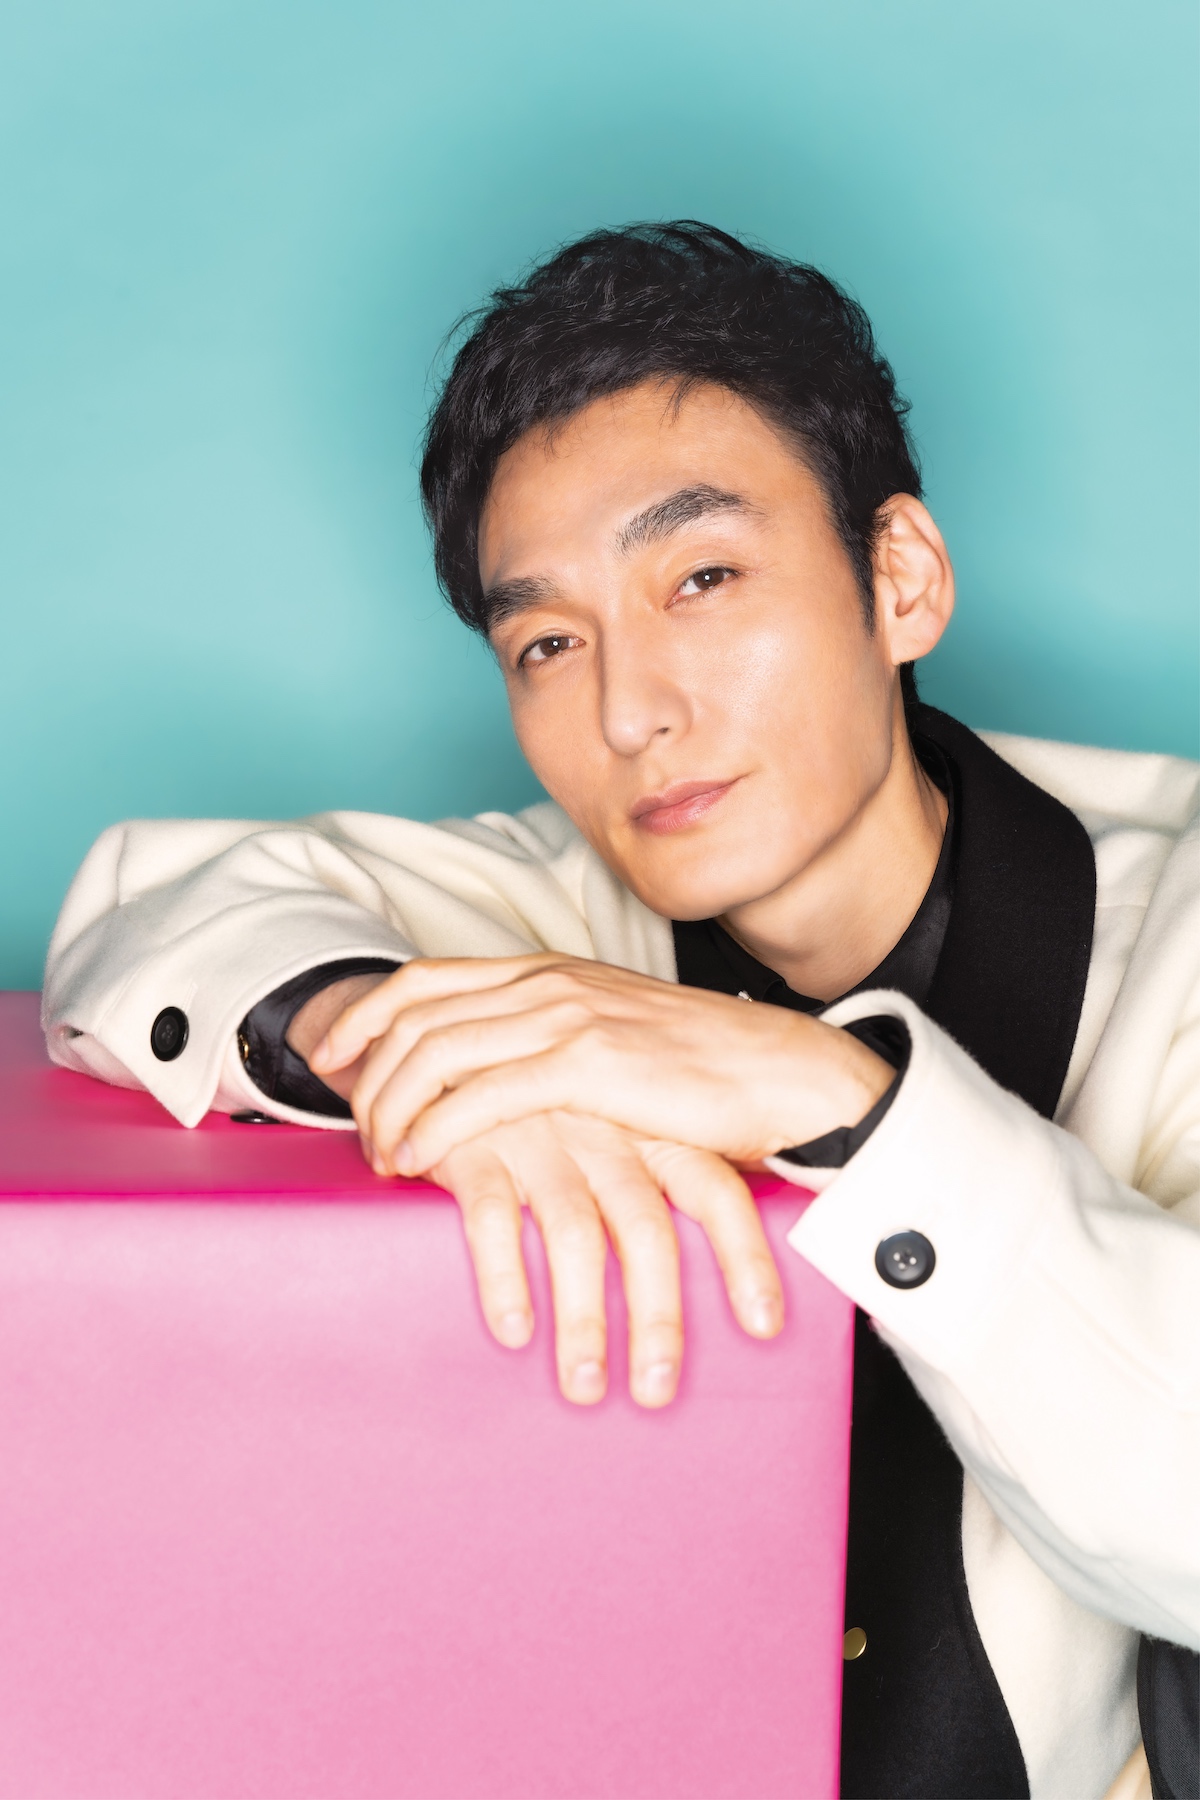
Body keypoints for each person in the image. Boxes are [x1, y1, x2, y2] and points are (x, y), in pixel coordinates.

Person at [42, 223, 1197, 1800]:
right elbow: (150, 913)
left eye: (702, 579)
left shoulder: (1182, 916)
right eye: (546, 642)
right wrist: (390, 1035)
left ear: (901, 580)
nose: (630, 709)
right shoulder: (556, 920)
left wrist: (834, 1101)